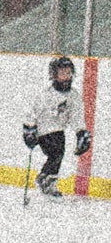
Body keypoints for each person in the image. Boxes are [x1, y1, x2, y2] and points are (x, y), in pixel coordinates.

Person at [24, 55, 89, 198]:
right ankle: (45, 179)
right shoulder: (45, 95)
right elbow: (32, 112)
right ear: (53, 75)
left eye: (68, 72)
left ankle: (47, 179)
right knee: (57, 153)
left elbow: (76, 116)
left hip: (59, 129)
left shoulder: (73, 96)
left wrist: (81, 132)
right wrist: (29, 129)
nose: (66, 77)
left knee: (58, 154)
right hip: (43, 130)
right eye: (62, 73)